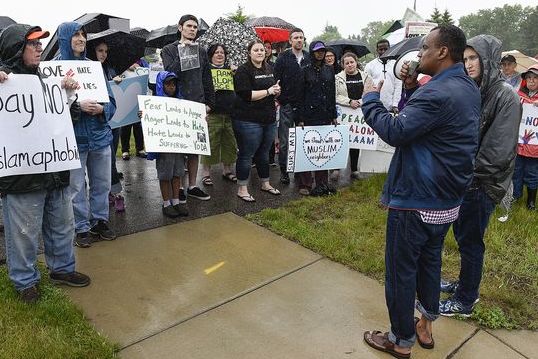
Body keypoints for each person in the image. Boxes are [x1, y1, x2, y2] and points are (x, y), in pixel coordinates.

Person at [361, 25, 481, 358]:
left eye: (425, 47)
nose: (420, 54)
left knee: (401, 273)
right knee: (430, 263)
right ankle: (425, 324)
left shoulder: (438, 92)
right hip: (446, 199)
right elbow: (427, 124)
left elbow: (398, 130)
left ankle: (399, 340)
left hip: (416, 198)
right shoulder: (466, 87)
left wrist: (371, 98)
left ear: (443, 51)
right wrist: (411, 88)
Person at [0, 24, 90, 303]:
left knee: (62, 224)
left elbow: (63, 119)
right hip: (22, 175)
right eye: (33, 44)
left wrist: (68, 94)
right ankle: (24, 280)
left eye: (41, 44)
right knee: (24, 232)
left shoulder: (46, 79)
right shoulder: (5, 81)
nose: (40, 48)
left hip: (55, 168)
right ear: (17, 48)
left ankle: (62, 268)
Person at [438, 35, 521, 317]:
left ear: (487, 60)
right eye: (465, 59)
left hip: (481, 183)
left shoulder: (505, 96)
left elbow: (496, 153)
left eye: (474, 58)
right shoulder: (477, 89)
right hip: (466, 180)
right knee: (464, 238)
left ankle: (466, 300)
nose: (469, 64)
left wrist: (462, 172)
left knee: (472, 242)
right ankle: (464, 284)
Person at [55, 22, 117, 248]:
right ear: (65, 38)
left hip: (100, 136)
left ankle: (100, 220)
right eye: (76, 35)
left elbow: (111, 101)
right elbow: (49, 106)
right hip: (73, 140)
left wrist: (102, 110)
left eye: (83, 35)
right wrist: (76, 106)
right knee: (76, 188)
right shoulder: (53, 70)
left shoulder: (94, 67)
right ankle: (81, 227)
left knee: (102, 183)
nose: (81, 39)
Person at [162, 14, 215, 202]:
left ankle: (192, 185)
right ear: (180, 27)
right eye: (189, 26)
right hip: (178, 105)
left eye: (195, 27)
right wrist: (183, 52)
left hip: (197, 104)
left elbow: (207, 78)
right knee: (179, 150)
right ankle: (180, 188)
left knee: (195, 149)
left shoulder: (201, 51)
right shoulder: (168, 49)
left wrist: (209, 104)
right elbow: (170, 74)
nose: (193, 29)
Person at [232, 39, 282, 202]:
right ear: (249, 53)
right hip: (247, 120)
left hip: (268, 118)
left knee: (264, 154)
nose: (260, 52)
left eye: (262, 50)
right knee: (247, 154)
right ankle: (242, 188)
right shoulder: (243, 70)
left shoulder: (270, 68)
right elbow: (246, 95)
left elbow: (273, 90)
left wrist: (276, 91)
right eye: (256, 50)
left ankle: (265, 183)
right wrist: (268, 91)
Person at [141, 71, 189, 218]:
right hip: (164, 147)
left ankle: (176, 201)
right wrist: (143, 114)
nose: (172, 87)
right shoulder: (154, 103)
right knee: (165, 175)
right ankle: (166, 203)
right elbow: (147, 120)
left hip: (178, 146)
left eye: (174, 84)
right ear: (161, 85)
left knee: (177, 174)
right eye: (168, 84)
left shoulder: (181, 102)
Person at [87, 40, 125, 213]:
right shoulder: (87, 70)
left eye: (106, 51)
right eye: (100, 51)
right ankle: (117, 193)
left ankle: (110, 192)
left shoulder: (110, 70)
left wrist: (118, 81)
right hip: (98, 123)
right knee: (107, 161)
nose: (103, 54)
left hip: (114, 120)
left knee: (111, 158)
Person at [295, 41, 337, 196]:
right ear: (312, 52)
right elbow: (299, 95)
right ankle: (305, 183)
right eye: (317, 51)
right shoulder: (304, 70)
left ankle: (322, 183)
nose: (320, 53)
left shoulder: (329, 70)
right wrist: (299, 118)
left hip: (325, 115)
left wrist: (333, 115)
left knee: (322, 150)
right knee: (307, 149)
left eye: (322, 51)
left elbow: (332, 94)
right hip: (308, 115)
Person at [274, 28, 310, 184]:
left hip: (304, 106)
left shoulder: (309, 58)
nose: (299, 40)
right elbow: (276, 80)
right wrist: (282, 99)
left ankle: (300, 171)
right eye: (296, 37)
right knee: (285, 141)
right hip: (287, 105)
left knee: (303, 140)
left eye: (301, 37)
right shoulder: (282, 58)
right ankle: (284, 171)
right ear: (290, 40)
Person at [200, 44, 238, 186]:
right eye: (216, 52)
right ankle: (206, 174)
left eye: (222, 52)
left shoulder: (231, 70)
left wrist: (236, 73)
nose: (220, 55)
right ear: (211, 55)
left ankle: (227, 170)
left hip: (229, 114)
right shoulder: (206, 70)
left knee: (229, 144)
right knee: (211, 144)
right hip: (213, 114)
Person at [334, 52, 367, 180]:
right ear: (343, 65)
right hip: (344, 113)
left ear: (356, 62)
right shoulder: (338, 78)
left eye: (352, 62)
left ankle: (354, 170)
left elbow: (369, 91)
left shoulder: (365, 76)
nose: (350, 65)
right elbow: (335, 95)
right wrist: (349, 102)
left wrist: (361, 101)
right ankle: (336, 169)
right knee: (340, 140)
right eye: (346, 63)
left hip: (359, 113)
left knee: (355, 141)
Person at [512, 64, 538, 209]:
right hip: (519, 144)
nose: (532, 81)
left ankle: (531, 201)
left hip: (535, 147)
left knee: (532, 173)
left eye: (535, 78)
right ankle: (516, 196)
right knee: (517, 171)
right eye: (528, 78)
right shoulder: (519, 96)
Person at [364, 39, 402, 113]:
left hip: (391, 108)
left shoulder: (395, 64)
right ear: (377, 50)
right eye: (381, 49)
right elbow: (367, 86)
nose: (383, 51)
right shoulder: (370, 65)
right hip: (374, 105)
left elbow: (398, 85)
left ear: (390, 49)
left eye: (386, 49)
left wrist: (395, 104)